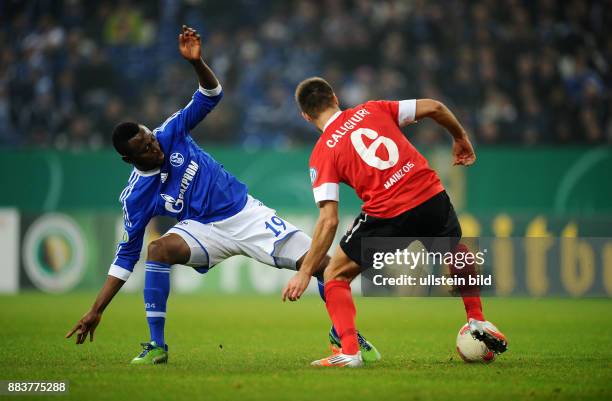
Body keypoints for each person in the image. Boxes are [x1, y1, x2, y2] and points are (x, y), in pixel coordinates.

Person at [65, 27, 379, 365]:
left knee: (323, 265)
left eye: (150, 139)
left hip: (244, 214)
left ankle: (343, 334)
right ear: (129, 159)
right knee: (157, 249)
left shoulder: (169, 131)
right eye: (144, 148)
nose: (154, 146)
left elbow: (211, 95)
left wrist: (197, 62)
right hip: (201, 230)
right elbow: (125, 258)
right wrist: (96, 309)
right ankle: (157, 345)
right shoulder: (136, 197)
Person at [282, 77, 508, 367]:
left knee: (335, 275)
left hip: (387, 212)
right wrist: (460, 138)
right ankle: (477, 319)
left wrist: (306, 271)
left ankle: (350, 351)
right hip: (428, 194)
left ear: (305, 116)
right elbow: (435, 107)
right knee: (453, 249)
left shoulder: (322, 152)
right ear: (335, 97)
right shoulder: (374, 109)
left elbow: (328, 220)